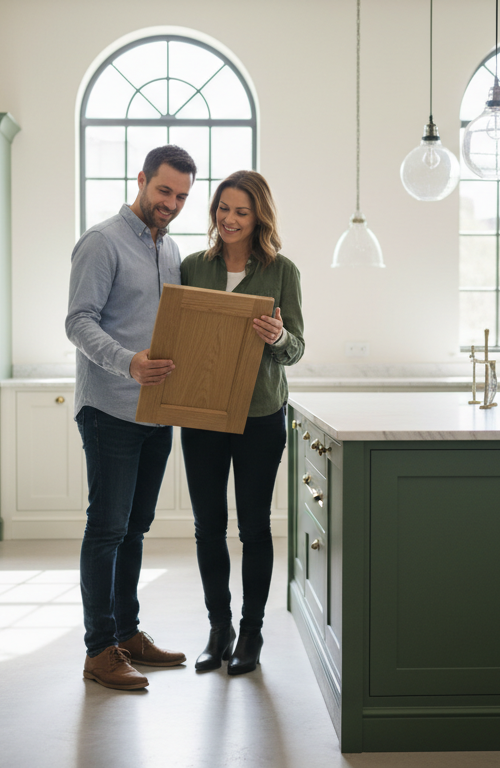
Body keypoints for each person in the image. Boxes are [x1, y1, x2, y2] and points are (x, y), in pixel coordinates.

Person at [65, 145, 198, 691]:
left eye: (183, 197)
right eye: (164, 190)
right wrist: (129, 363)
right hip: (110, 409)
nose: (171, 203)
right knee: (107, 530)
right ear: (141, 180)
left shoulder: (171, 252)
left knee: (135, 530)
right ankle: (100, 650)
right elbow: (78, 321)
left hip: (156, 413)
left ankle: (127, 632)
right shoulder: (102, 242)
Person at [178, 170, 305, 675]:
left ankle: (251, 633)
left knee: (254, 528)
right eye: (223, 208)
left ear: (259, 218)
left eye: (241, 211)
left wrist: (277, 337)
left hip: (260, 415)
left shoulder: (283, 272)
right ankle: (219, 628)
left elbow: (295, 350)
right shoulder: (191, 267)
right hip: (203, 414)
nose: (229, 219)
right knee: (208, 528)